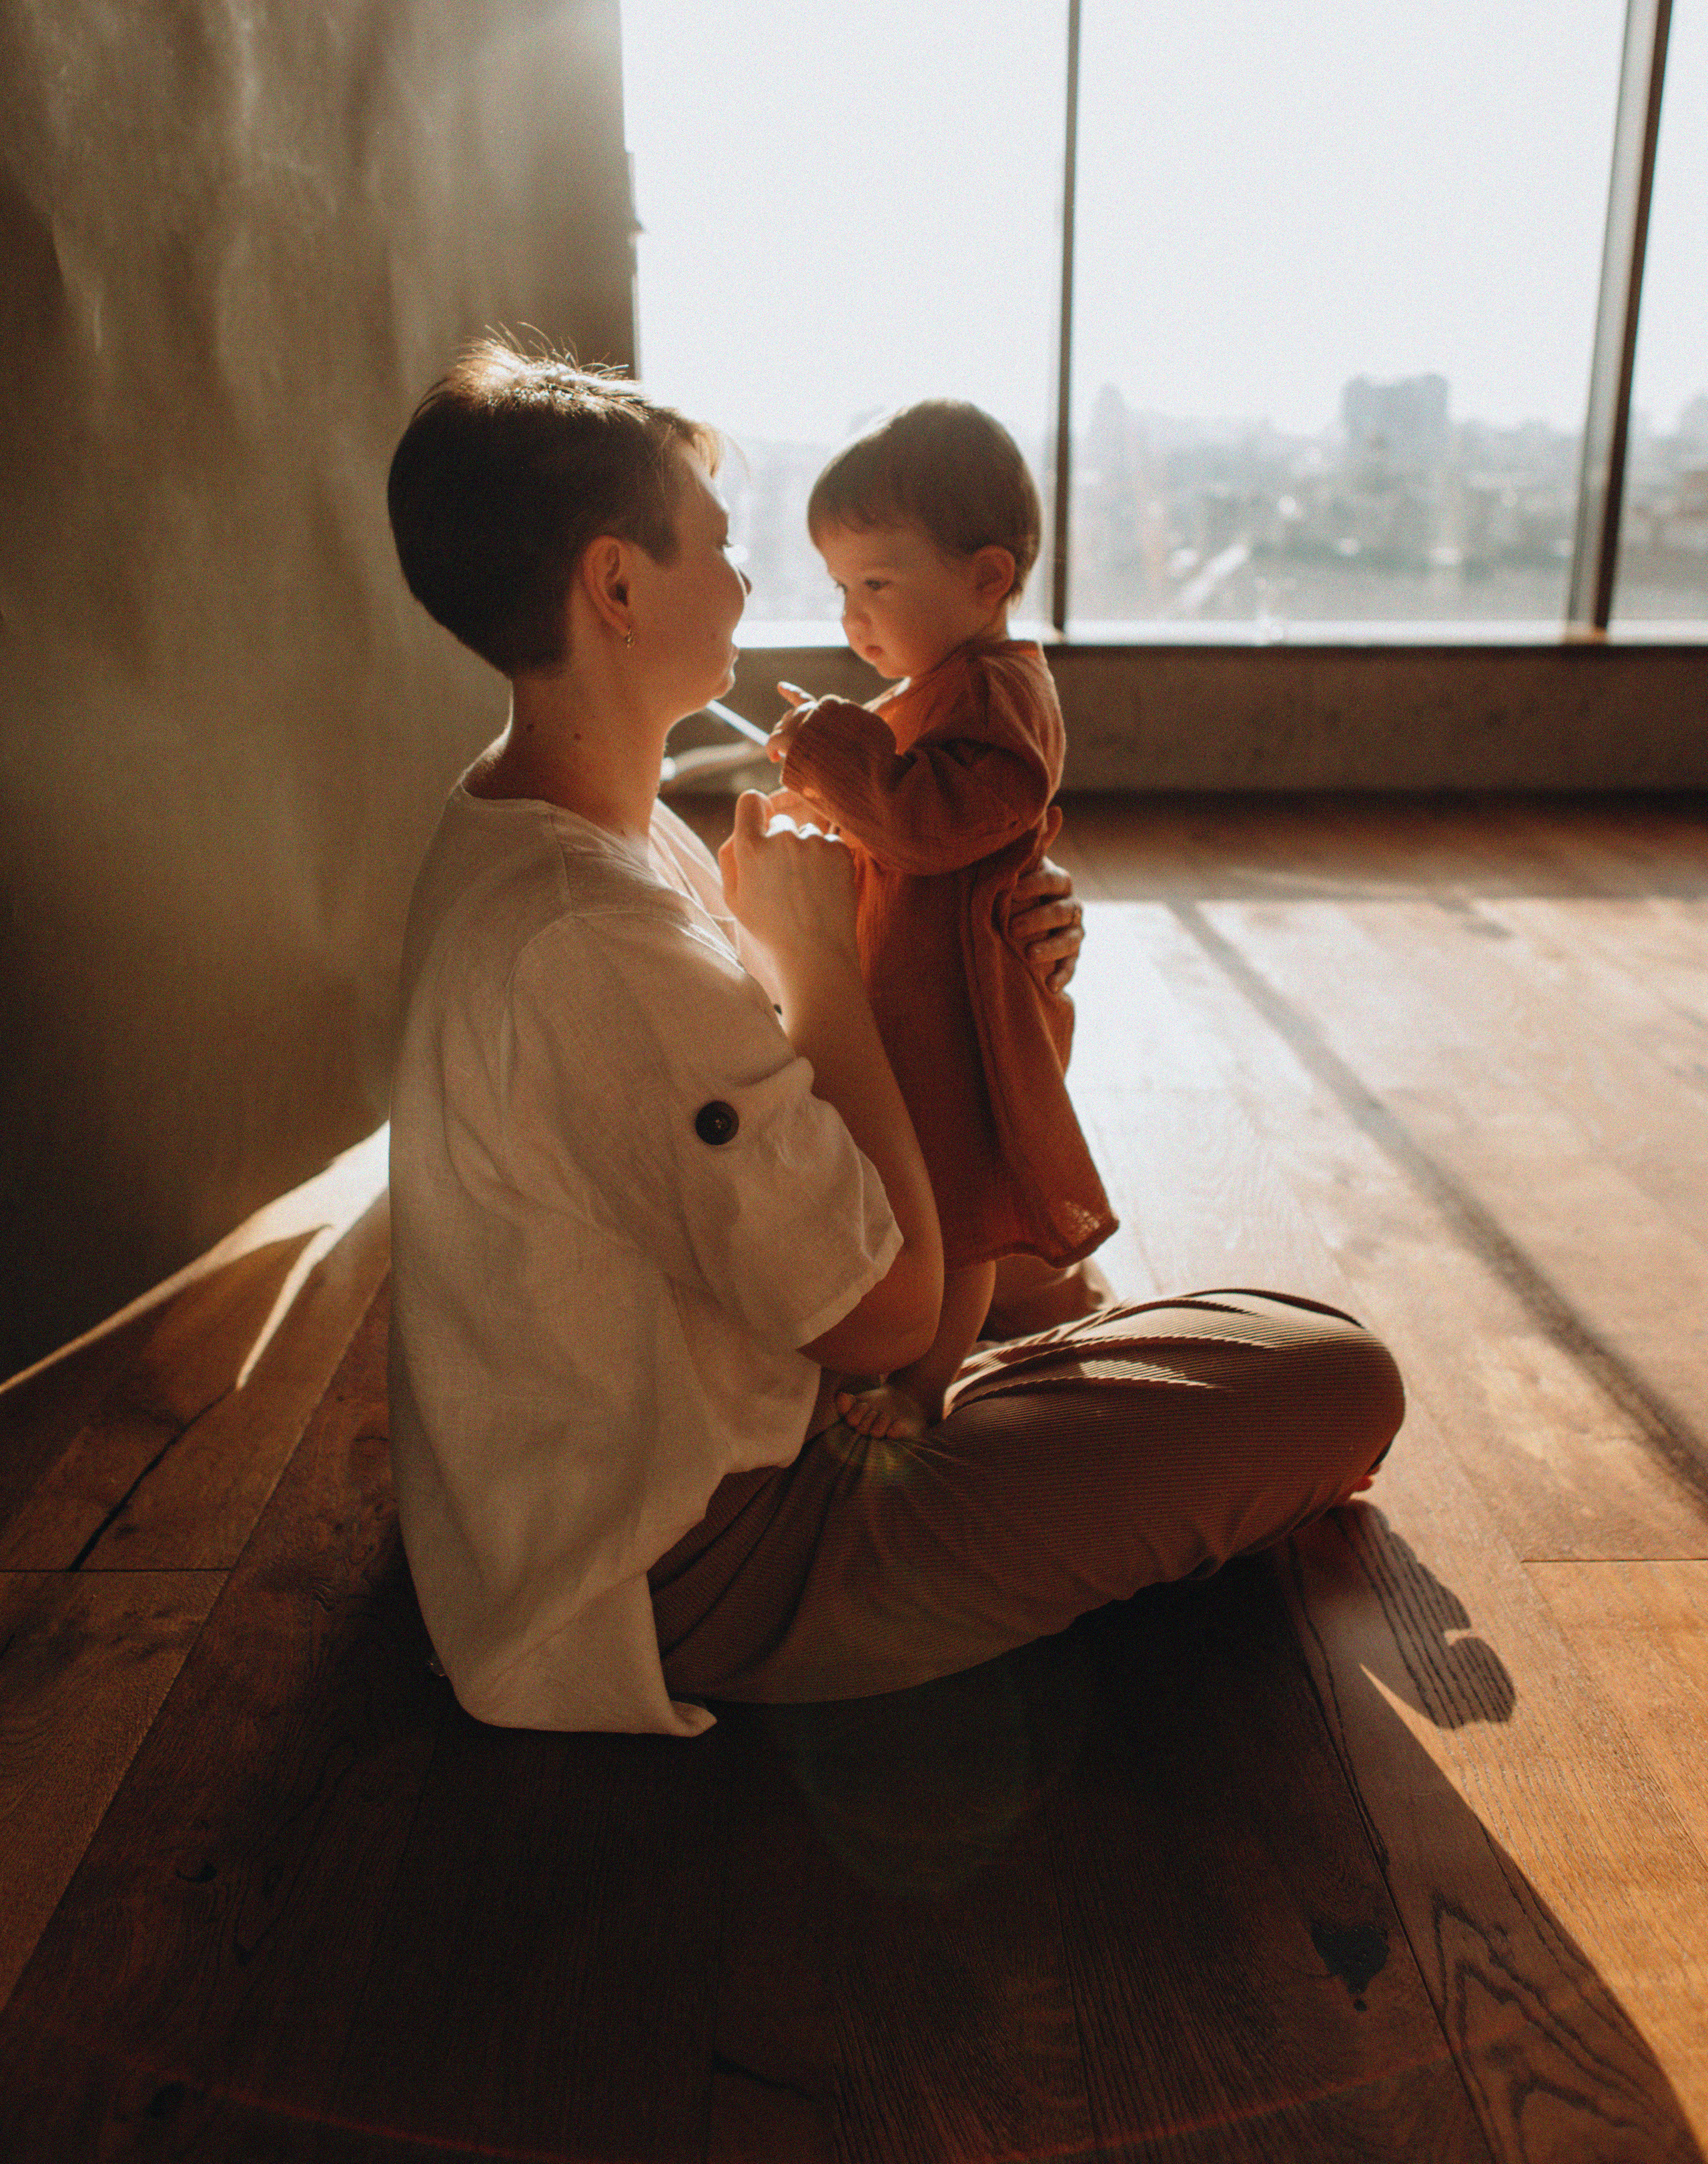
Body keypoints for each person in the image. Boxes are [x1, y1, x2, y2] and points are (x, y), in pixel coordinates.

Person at [385, 338, 1404, 1736]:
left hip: (674, 1428)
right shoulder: (586, 930)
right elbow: (885, 1322)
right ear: (615, 585)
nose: (748, 583)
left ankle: (1030, 1396)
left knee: (1046, 1273)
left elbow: (804, 1125)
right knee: (1330, 1377)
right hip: (706, 1560)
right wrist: (819, 962)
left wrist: (1006, 981)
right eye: (721, 545)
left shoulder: (541, 826)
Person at [764, 400, 1114, 1440]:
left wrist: (837, 757)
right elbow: (895, 823)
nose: (852, 616)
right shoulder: (937, 686)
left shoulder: (1002, 694)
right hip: (915, 996)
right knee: (906, 1186)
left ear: (988, 578)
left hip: (965, 1015)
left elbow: (931, 824)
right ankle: (924, 1339)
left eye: (877, 583)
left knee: (955, 1213)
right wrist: (824, 792)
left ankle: (926, 1387)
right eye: (839, 588)